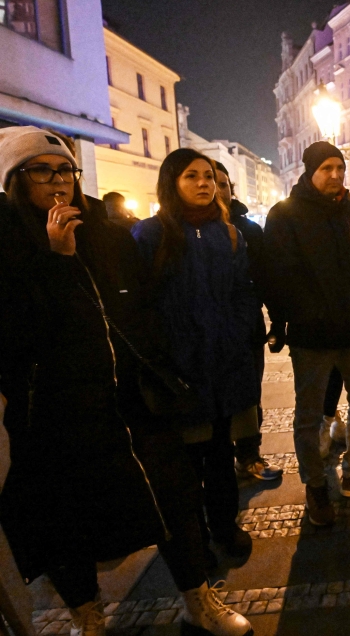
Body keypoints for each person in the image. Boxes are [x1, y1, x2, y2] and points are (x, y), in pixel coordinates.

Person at [0, 128, 250, 636]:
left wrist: (157, 363)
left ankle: (198, 600)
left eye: (65, 170)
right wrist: (56, 259)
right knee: (67, 521)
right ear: (15, 180)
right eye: (42, 171)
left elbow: (144, 304)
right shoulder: (7, 245)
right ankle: (87, 616)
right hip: (53, 415)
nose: (59, 181)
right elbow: (16, 335)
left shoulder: (108, 233)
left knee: (174, 500)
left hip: (131, 399)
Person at [132, 149, 259, 567]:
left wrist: (238, 332)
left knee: (221, 455)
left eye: (208, 176)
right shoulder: (150, 235)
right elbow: (141, 302)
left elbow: (243, 291)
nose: (204, 183)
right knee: (185, 466)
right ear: (172, 182)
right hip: (179, 371)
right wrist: (166, 350)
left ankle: (225, 527)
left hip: (222, 365)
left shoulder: (229, 233)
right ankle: (195, 542)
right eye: (192, 176)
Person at [262, 142, 350, 528]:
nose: (336, 174)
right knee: (308, 416)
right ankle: (316, 486)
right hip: (313, 338)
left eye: (340, 167)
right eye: (327, 168)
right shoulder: (285, 215)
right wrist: (296, 319)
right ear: (310, 171)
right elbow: (277, 277)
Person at [214, 161, 283, 482]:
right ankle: (216, 462)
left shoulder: (249, 230)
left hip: (246, 329)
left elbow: (267, 279)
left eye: (222, 183)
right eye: (208, 180)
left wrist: (278, 322)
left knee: (249, 393)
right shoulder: (178, 230)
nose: (216, 189)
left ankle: (249, 456)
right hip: (203, 332)